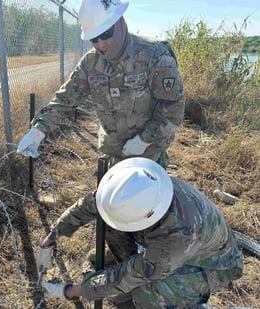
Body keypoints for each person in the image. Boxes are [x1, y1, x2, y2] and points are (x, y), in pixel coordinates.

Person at [37, 158, 243, 308]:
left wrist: (73, 291)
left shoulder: (176, 236)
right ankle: (129, 280)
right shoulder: (140, 185)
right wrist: (52, 236)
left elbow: (133, 274)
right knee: (109, 221)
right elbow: (90, 205)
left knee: (147, 294)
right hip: (180, 245)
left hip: (211, 265)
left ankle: (189, 302)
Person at [17, 0, 185, 169]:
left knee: (143, 193)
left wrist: (144, 139)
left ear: (119, 23)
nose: (100, 44)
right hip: (112, 149)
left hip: (148, 152)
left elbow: (173, 107)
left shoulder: (154, 55)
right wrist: (38, 131)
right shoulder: (91, 63)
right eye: (94, 39)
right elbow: (64, 100)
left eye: (106, 34)